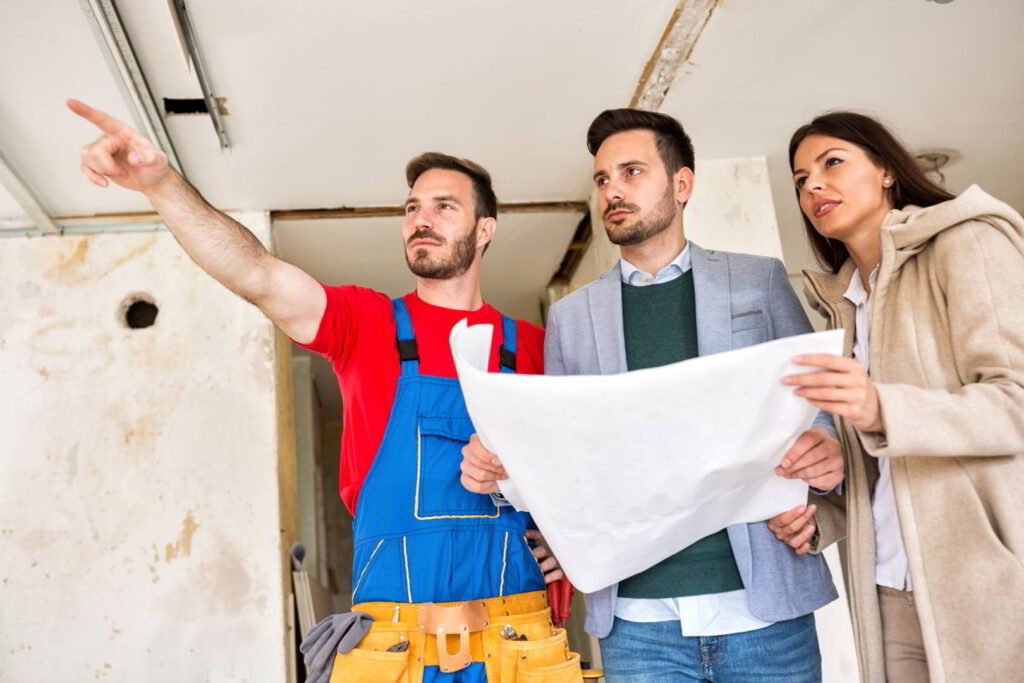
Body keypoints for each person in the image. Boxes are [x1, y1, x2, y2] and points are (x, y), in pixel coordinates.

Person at [68, 99, 580, 683]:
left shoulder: (537, 348)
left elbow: (585, 475)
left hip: (519, 638)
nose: (421, 219)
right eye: (412, 207)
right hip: (394, 643)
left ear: (484, 229)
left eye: (444, 206)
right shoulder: (366, 323)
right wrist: (161, 184)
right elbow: (255, 272)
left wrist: (569, 542)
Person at [462, 108, 844, 682]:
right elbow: (566, 454)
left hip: (766, 608)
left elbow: (816, 402)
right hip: (637, 624)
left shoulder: (759, 280)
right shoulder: (571, 318)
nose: (612, 190)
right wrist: (506, 468)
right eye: (602, 179)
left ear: (682, 184)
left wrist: (825, 457)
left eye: (632, 172)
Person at [781, 110, 1024, 682]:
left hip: (986, 584)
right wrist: (824, 512)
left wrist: (880, 407)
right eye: (801, 180)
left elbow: (1014, 403)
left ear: (887, 170)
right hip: (888, 588)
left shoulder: (966, 241)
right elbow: (889, 469)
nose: (813, 186)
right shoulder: (844, 306)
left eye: (832, 163)